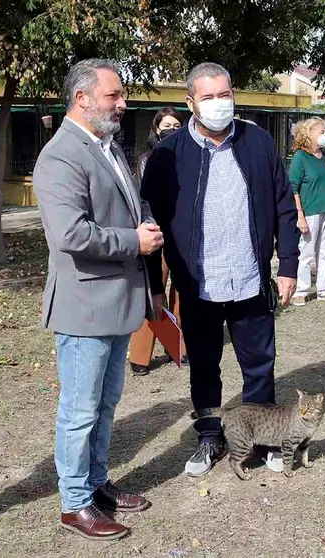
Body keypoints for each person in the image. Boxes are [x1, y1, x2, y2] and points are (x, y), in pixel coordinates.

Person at [141, 62, 300, 478]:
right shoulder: (167, 156)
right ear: (191, 102)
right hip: (198, 285)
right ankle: (210, 435)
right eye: (208, 97)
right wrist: (155, 286)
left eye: (224, 94)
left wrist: (287, 265)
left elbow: (284, 205)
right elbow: (149, 225)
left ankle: (262, 440)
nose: (218, 103)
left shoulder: (258, 142)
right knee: (205, 366)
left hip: (249, 279)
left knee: (259, 362)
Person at [33, 58, 162, 541]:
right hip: (85, 305)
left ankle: (96, 481)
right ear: (82, 98)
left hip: (114, 301)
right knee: (80, 410)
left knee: (105, 403)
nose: (122, 103)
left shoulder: (105, 145)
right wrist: (135, 241)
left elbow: (128, 204)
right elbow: (70, 233)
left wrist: (144, 222)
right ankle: (74, 502)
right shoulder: (61, 155)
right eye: (114, 95)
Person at [129, 107, 186, 376]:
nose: (172, 130)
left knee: (183, 293)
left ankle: (180, 346)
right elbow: (145, 200)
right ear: (156, 129)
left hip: (184, 235)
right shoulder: (147, 159)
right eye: (167, 125)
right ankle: (140, 356)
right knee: (154, 292)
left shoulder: (189, 156)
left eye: (177, 125)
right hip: (158, 234)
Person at [290, 117, 325, 306]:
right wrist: (300, 215)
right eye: (321, 132)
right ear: (308, 134)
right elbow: (293, 187)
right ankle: (301, 290)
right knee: (306, 251)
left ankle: (324, 289)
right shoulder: (300, 157)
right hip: (311, 210)